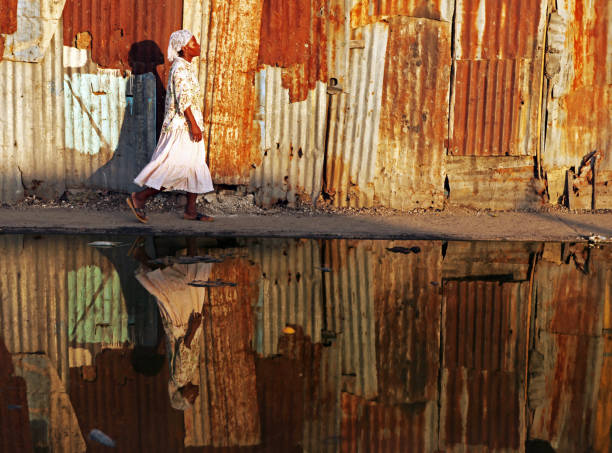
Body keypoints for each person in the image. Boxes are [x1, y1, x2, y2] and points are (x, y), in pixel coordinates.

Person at [127, 30, 213, 223]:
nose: (198, 45)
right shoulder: (180, 69)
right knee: (173, 168)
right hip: (182, 128)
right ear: (184, 48)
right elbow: (184, 100)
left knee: (193, 166)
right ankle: (139, 197)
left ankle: (191, 211)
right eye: (194, 42)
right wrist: (194, 125)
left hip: (189, 125)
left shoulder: (186, 67)